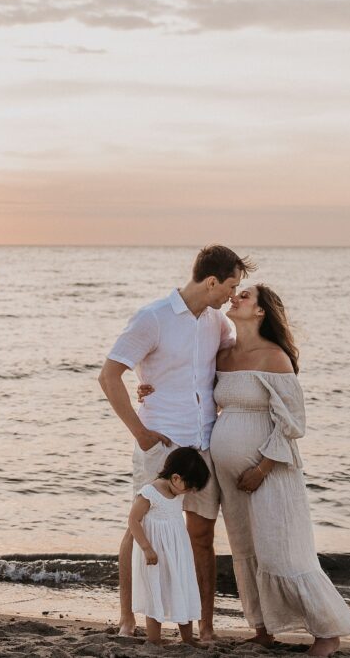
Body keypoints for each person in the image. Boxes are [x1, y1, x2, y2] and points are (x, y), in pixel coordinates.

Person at [139, 284, 350, 657]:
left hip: (270, 471)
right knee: (245, 550)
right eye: (235, 293)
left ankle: (327, 633)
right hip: (230, 476)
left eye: (244, 296)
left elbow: (292, 424)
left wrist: (263, 467)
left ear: (260, 312)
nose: (234, 299)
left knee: (282, 552)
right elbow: (190, 388)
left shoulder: (274, 358)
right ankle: (263, 629)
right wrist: (148, 391)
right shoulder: (224, 354)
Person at [98, 244, 256, 641]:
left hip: (203, 444)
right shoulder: (153, 318)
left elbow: (228, 367)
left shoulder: (216, 323)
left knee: (201, 535)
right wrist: (141, 432)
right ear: (211, 281)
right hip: (162, 446)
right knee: (141, 531)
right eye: (231, 285)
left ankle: (204, 625)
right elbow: (109, 375)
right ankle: (129, 619)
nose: (232, 295)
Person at [128, 448, 212, 646]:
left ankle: (188, 638)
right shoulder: (150, 493)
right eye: (189, 487)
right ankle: (154, 640)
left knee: (183, 588)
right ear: (175, 477)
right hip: (155, 554)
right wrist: (146, 548)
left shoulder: (177, 493)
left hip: (177, 553)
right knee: (155, 591)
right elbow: (133, 520)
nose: (190, 491)